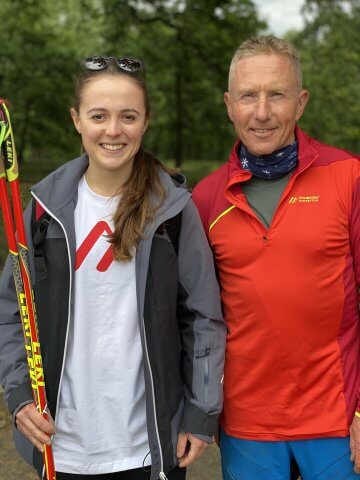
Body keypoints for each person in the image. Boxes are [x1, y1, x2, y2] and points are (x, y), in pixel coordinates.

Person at [0, 56, 226, 480]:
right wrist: (19, 395)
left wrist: (201, 411)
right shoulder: (44, 211)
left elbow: (203, 317)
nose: (113, 130)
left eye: (128, 116)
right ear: (76, 120)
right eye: (98, 116)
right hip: (61, 447)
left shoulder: (173, 211)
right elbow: (13, 311)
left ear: (146, 122)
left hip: (147, 449)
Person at [192, 35, 360, 480]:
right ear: (230, 104)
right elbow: (194, 317)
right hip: (248, 423)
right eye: (249, 96)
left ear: (300, 102)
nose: (262, 112)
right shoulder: (205, 198)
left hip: (338, 420)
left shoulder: (348, 175)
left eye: (277, 94)